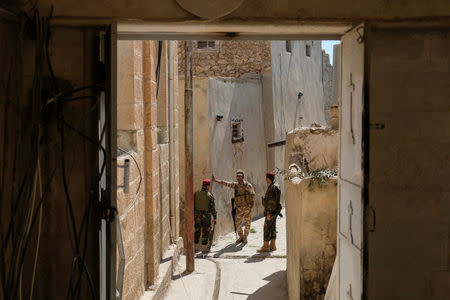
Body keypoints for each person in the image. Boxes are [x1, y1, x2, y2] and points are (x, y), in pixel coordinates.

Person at [212, 170, 255, 244]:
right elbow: (226, 183)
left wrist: (251, 206)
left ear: (243, 177)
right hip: (239, 208)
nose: (238, 177)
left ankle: (245, 237)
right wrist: (216, 180)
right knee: (237, 223)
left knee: (248, 223)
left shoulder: (248, 185)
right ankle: (241, 236)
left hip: (247, 207)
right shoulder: (235, 185)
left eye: (240, 176)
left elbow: (253, 195)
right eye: (237, 176)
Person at [257, 172, 281, 252]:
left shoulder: (272, 188)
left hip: (271, 211)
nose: (265, 179)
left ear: (268, 178)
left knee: (266, 227)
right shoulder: (275, 185)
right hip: (275, 211)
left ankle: (266, 246)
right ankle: (273, 245)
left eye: (266, 177)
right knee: (272, 227)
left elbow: (271, 202)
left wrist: (268, 213)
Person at [194, 179, 217, 255]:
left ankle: (195, 248)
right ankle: (204, 249)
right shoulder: (209, 195)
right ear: (207, 186)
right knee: (205, 232)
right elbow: (212, 208)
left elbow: (193, 205)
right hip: (206, 216)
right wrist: (215, 217)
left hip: (197, 216)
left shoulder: (196, 193)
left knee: (197, 231)